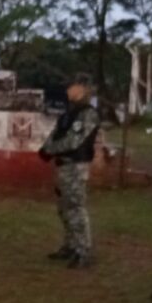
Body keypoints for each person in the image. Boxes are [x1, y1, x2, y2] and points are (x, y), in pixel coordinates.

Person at [39, 73, 101, 269]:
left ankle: (83, 251)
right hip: (63, 165)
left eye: (71, 86)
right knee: (64, 209)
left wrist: (50, 149)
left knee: (76, 208)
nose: (67, 90)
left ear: (82, 88)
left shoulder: (88, 113)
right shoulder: (69, 113)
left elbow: (74, 141)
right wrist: (46, 148)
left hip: (76, 165)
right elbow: (56, 134)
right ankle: (70, 245)